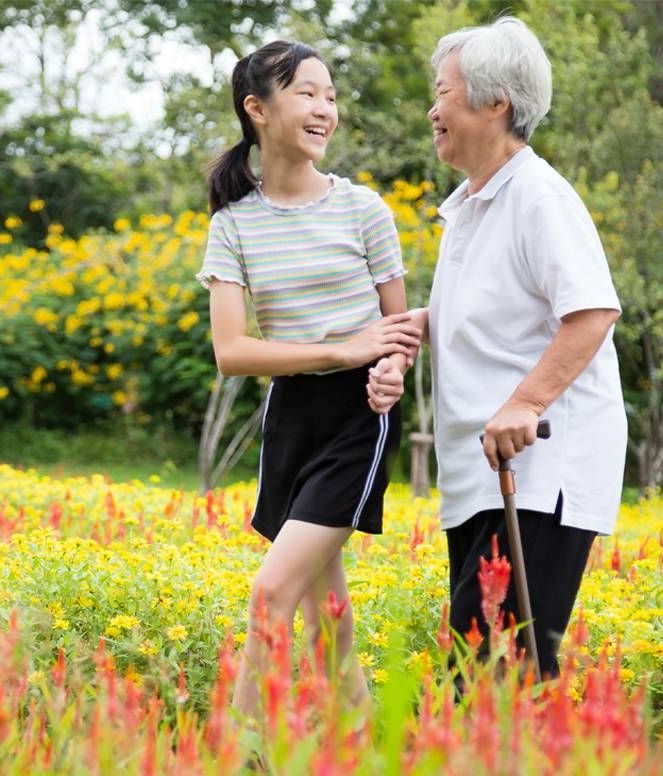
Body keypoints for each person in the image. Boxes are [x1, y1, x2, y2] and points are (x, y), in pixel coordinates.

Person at [381, 17, 627, 679]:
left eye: (444, 93)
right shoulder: (472, 205)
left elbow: (592, 311)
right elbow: (508, 309)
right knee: (492, 669)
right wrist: (427, 323)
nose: (432, 110)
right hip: (479, 475)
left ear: (496, 105)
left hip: (541, 471)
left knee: (487, 675)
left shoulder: (539, 198)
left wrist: (526, 401)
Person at [196, 40, 422, 723]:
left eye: (330, 95)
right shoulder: (233, 224)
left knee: (271, 595)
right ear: (257, 109)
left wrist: (388, 370)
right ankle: (358, 739)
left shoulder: (364, 211)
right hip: (291, 413)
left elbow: (399, 330)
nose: (325, 109)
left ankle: (238, 751)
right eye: (307, 93)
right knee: (326, 606)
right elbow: (232, 352)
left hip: (359, 417)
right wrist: (340, 349)